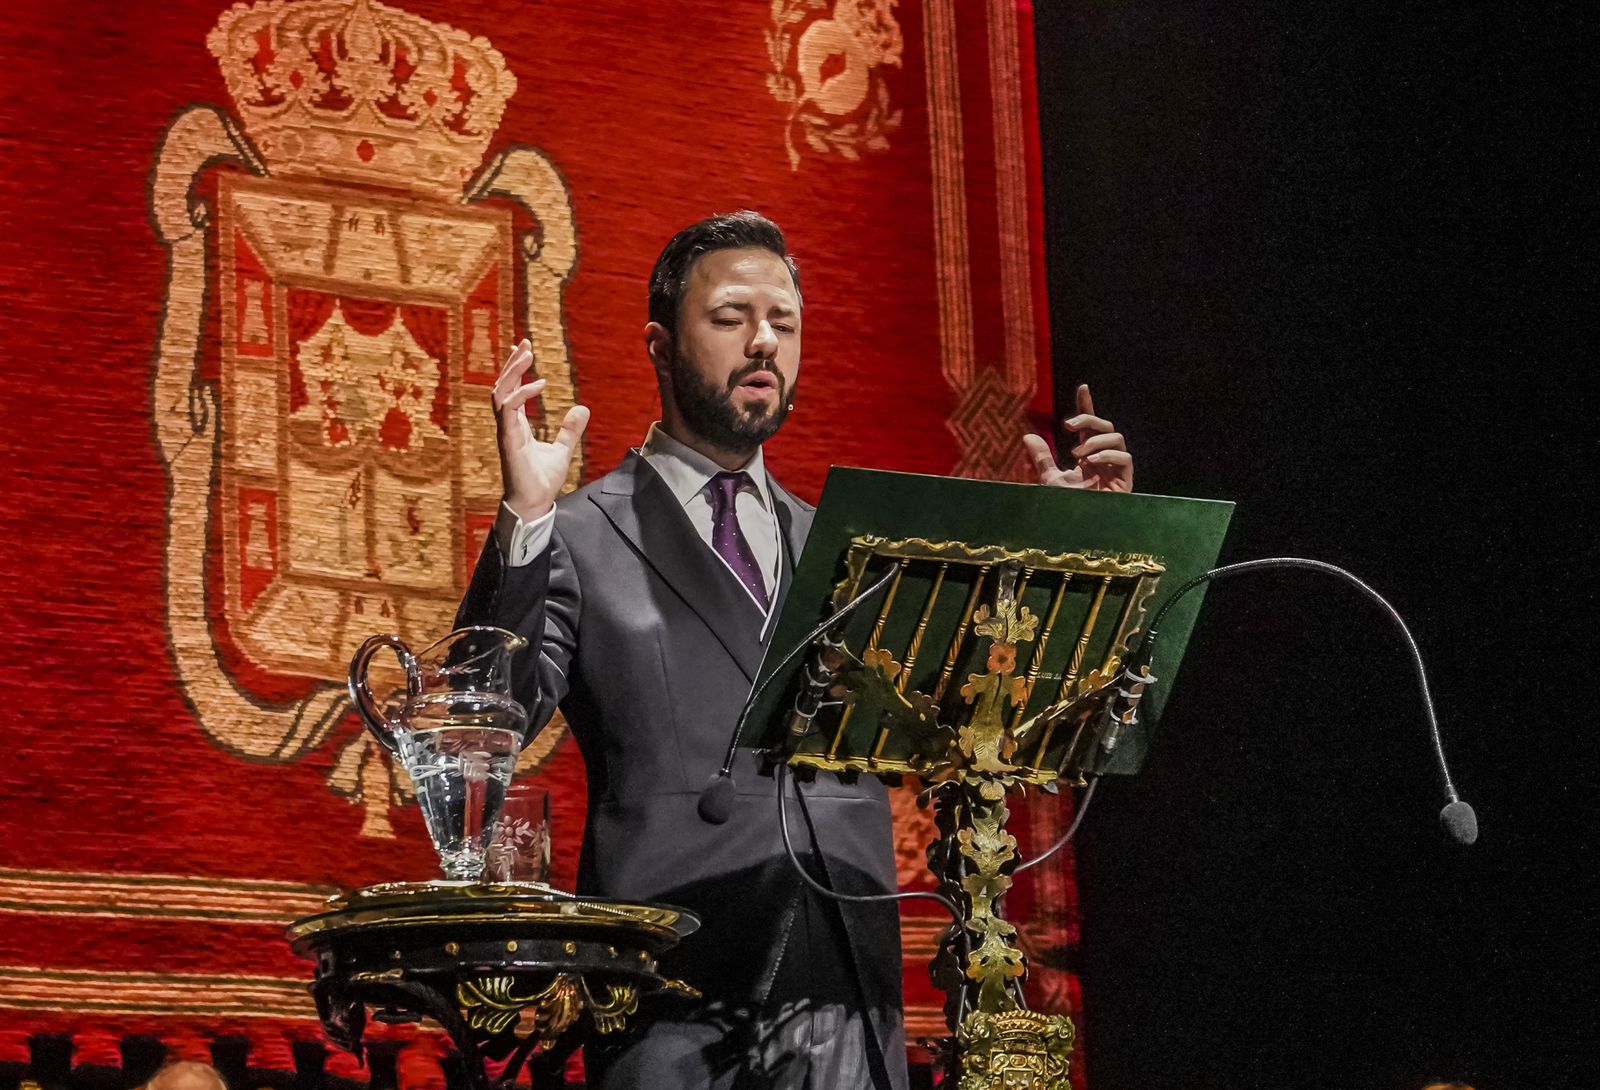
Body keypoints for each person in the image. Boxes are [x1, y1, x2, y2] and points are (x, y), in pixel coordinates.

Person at [457, 211, 1132, 1090]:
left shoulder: (845, 551)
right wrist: (527, 520)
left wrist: (1074, 554)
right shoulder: (586, 532)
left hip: (846, 983)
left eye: (784, 321)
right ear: (660, 346)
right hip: (679, 994)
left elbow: (990, 724)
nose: (764, 342)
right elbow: (484, 714)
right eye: (731, 317)